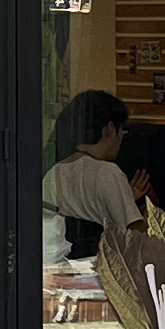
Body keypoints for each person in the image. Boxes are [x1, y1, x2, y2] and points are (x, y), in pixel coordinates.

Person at [45, 88, 142, 257]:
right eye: (121, 131)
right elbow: (135, 234)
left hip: (58, 266)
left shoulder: (52, 174)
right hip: (99, 267)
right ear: (109, 129)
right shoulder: (107, 172)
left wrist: (127, 199)